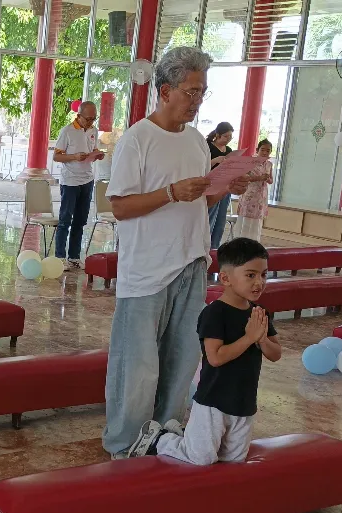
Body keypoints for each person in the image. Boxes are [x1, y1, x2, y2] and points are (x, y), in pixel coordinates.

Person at [103, 47, 250, 459]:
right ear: (165, 90)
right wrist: (169, 192)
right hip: (147, 267)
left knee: (183, 357)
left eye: (203, 91)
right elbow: (119, 206)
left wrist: (223, 188)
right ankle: (125, 442)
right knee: (139, 364)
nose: (197, 100)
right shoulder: (138, 139)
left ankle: (165, 432)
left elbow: (197, 203)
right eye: (191, 91)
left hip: (191, 260)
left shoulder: (196, 143)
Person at [126, 238, 281, 462]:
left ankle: (181, 434)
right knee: (201, 457)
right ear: (226, 278)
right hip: (213, 401)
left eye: (264, 275)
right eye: (251, 275)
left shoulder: (259, 312)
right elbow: (215, 357)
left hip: (244, 402)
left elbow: (276, 354)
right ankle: (161, 438)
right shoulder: (215, 313)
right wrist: (249, 338)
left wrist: (262, 339)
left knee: (233, 460)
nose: (259, 282)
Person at [52, 100, 104, 269]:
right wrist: (74, 157)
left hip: (87, 179)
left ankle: (74, 257)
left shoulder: (93, 131)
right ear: (79, 116)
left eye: (93, 119)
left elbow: (92, 149)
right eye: (88, 119)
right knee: (65, 220)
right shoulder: (67, 131)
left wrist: (97, 155)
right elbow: (57, 157)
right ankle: (60, 256)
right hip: (70, 181)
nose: (91, 122)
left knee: (80, 221)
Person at [234, 139, 273, 241]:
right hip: (249, 195)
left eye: (268, 150)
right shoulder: (250, 162)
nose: (265, 152)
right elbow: (244, 177)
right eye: (262, 150)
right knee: (246, 221)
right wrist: (259, 178)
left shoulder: (269, 164)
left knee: (257, 222)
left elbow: (271, 180)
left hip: (261, 196)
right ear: (257, 150)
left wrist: (267, 178)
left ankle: (254, 245)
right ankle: (241, 244)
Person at [205, 122, 235, 249]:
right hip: (211, 186)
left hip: (225, 186)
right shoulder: (207, 147)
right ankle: (206, 245)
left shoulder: (229, 150)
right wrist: (216, 160)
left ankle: (215, 247)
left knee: (221, 218)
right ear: (217, 135)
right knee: (210, 216)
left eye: (230, 137)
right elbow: (202, 167)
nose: (228, 140)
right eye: (226, 137)